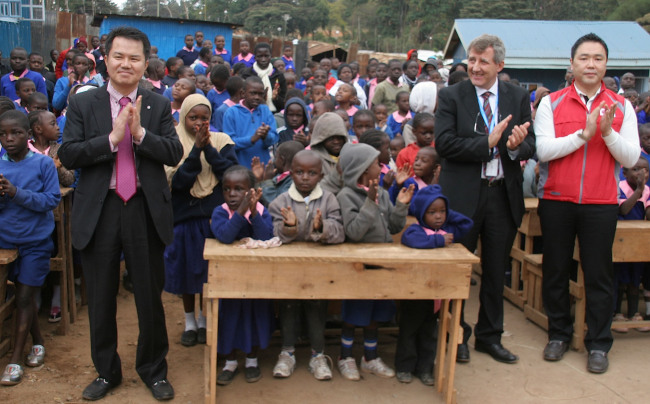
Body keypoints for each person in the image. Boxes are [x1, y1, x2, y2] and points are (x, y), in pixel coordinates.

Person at [58, 26, 183, 400]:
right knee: (99, 296)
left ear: (145, 64)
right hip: (101, 208)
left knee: (148, 295)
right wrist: (112, 140)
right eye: (119, 56)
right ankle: (106, 371)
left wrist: (141, 134)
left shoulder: (158, 104)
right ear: (105, 60)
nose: (125, 64)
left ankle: (153, 369)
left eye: (134, 58)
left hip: (144, 208)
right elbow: (68, 154)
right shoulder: (83, 102)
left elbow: (174, 153)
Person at [534, 33, 640, 373]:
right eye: (584, 58)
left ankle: (598, 344)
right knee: (555, 270)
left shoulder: (622, 107)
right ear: (572, 64)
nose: (590, 64)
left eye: (597, 58)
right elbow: (544, 150)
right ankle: (559, 334)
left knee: (598, 275)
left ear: (606, 64)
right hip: (557, 200)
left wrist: (607, 133)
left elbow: (632, 155)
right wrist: (584, 134)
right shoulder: (553, 102)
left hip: (601, 202)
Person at [435, 34, 535, 365]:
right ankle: (457, 333)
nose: (475, 68)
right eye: (472, 61)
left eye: (483, 62)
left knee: (495, 270)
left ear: (499, 65)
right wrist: (487, 144)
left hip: (502, 195)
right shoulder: (452, 95)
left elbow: (529, 143)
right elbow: (444, 144)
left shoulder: (517, 96)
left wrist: (514, 147)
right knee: (460, 268)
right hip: (464, 194)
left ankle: (490, 337)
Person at [335, 142, 414, 381]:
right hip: (359, 267)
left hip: (382, 263)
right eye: (375, 165)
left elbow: (393, 226)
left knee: (376, 314)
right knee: (354, 314)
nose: (381, 169)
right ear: (361, 169)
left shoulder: (380, 191)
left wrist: (400, 205)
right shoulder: (346, 196)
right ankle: (345, 356)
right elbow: (354, 232)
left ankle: (370, 358)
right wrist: (369, 202)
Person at [164, 94, 238, 347]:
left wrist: (208, 148)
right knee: (186, 272)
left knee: (209, 275)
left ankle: (206, 319)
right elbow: (180, 182)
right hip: (184, 218)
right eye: (193, 118)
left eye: (204, 118)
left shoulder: (221, 140)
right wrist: (195, 150)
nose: (198, 123)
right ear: (183, 116)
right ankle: (189, 321)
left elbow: (230, 174)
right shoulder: (173, 142)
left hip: (213, 220)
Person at [268, 150, 344, 380]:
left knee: (317, 308)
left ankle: (318, 355)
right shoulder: (281, 201)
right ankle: (287, 353)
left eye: (312, 173)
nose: (305, 177)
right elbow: (274, 233)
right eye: (299, 172)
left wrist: (321, 228)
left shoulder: (329, 199)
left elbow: (339, 231)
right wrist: (289, 227)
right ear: (291, 173)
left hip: (319, 269)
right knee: (289, 307)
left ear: (321, 175)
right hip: (289, 269)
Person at [0, 110, 60, 386]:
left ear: (29, 135)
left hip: (36, 240)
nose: (9, 139)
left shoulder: (43, 164)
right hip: (5, 241)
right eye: (3, 134)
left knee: (25, 297)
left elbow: (50, 200)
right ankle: (37, 340)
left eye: (16, 133)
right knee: (19, 294)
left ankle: (14, 359)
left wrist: (15, 193)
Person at [396, 185, 473, 385]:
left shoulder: (448, 230)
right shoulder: (417, 229)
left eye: (442, 212)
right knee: (409, 331)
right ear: (422, 213)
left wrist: (447, 213)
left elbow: (467, 224)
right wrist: (437, 240)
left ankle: (425, 369)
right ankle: (405, 367)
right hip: (416, 293)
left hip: (437, 296)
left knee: (429, 334)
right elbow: (411, 240)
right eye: (432, 212)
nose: (438, 217)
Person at [210, 165, 274, 385]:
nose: (232, 194)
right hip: (229, 281)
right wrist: (240, 212)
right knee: (230, 320)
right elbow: (225, 236)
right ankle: (230, 362)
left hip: (256, 280)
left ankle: (252, 360)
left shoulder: (261, 210)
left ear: (251, 191)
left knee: (254, 318)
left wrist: (253, 212)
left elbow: (265, 236)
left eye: (239, 189)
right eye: (227, 189)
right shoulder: (220, 212)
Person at [612, 157, 650, 332]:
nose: (641, 174)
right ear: (624, 172)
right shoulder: (620, 187)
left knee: (636, 279)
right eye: (636, 170)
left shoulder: (647, 191)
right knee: (620, 278)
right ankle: (617, 312)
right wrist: (639, 191)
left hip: (638, 242)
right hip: (621, 241)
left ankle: (634, 313)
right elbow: (624, 209)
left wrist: (644, 192)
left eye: (645, 170)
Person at [222, 76, 278, 168]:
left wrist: (265, 136)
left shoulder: (265, 110)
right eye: (253, 93)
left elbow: (274, 138)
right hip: (240, 168)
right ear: (243, 93)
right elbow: (229, 144)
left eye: (260, 94)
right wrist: (251, 139)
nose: (257, 97)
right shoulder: (231, 113)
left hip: (263, 166)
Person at [251, 42, 286, 113]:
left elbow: (284, 103)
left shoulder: (278, 75)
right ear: (255, 57)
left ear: (271, 56)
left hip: (273, 114)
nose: (263, 59)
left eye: (266, 56)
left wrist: (276, 98)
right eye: (260, 56)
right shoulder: (248, 74)